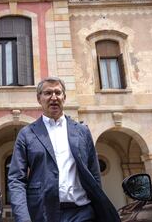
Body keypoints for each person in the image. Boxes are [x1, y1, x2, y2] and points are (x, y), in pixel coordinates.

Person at [7, 77, 120, 222]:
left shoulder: (82, 131)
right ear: (39, 98)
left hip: (82, 213)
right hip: (44, 214)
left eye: (58, 93)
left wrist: (98, 208)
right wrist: (23, 218)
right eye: (48, 93)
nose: (54, 97)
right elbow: (16, 180)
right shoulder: (27, 134)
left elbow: (94, 175)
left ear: (64, 98)